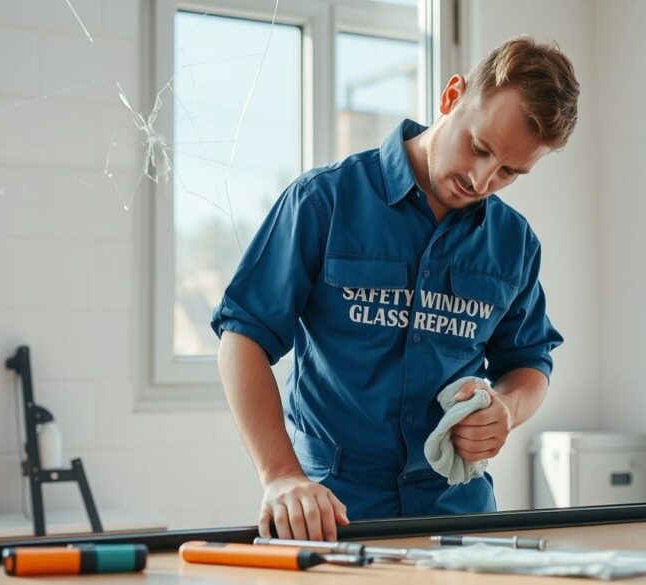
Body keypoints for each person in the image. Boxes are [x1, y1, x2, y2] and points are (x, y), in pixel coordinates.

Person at [211, 35, 578, 542]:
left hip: (461, 522)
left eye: (510, 172)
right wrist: (280, 475)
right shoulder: (324, 201)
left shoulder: (514, 243)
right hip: (332, 516)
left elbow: (530, 362)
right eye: (480, 147)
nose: (481, 178)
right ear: (452, 96)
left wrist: (506, 409)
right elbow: (242, 339)